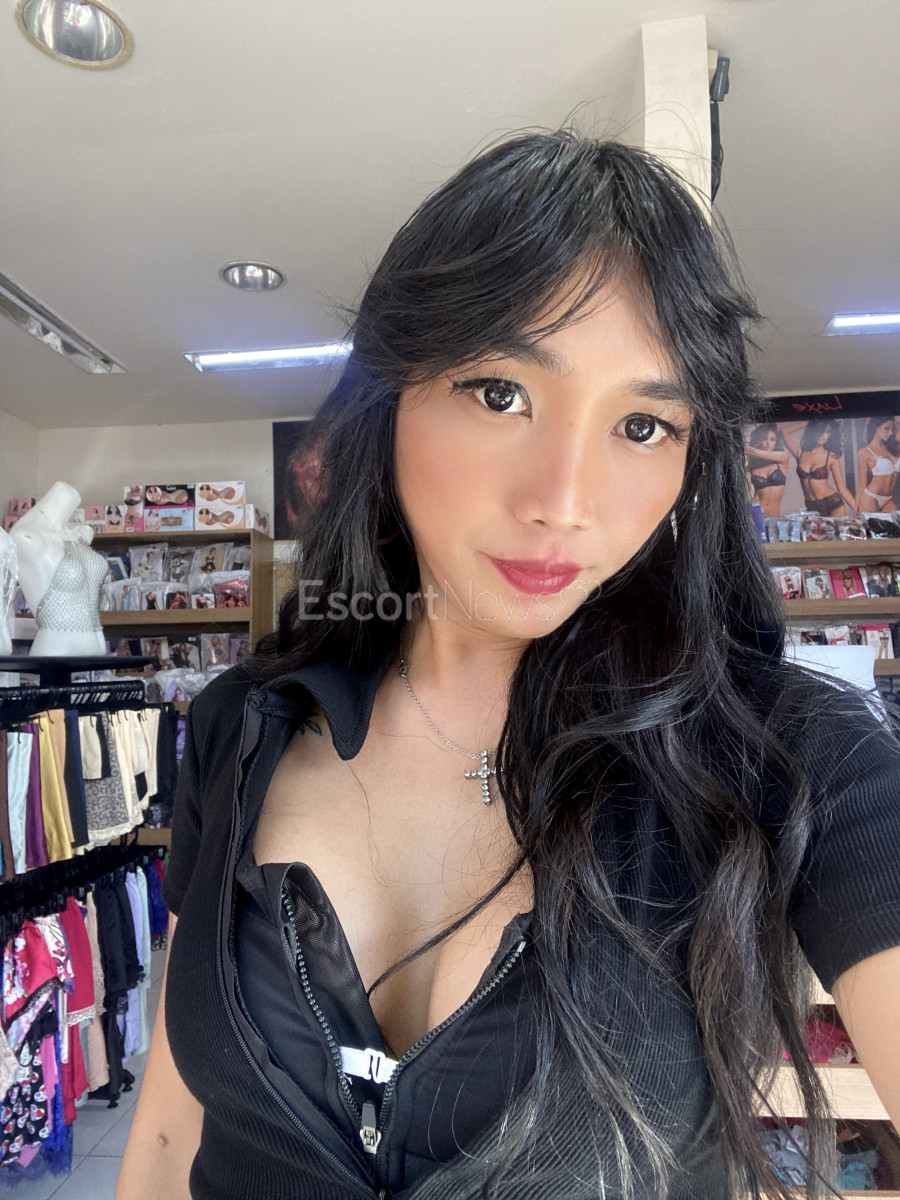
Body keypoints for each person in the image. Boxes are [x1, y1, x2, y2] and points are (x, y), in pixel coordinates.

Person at [119, 132, 900, 1200]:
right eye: (499, 393)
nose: (562, 501)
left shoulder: (794, 756)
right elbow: (170, 1136)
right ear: (389, 397)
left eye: (643, 424)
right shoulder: (239, 725)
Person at [780, 419, 856, 517]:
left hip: (832, 503)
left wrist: (858, 510)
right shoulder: (800, 453)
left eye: (827, 432)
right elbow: (784, 431)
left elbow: (842, 489)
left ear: (830, 435)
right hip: (811, 507)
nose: (822, 435)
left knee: (838, 527)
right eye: (819, 430)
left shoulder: (831, 457)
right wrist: (811, 421)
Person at [855, 416, 900, 514]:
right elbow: (862, 485)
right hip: (871, 497)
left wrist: (890, 415)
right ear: (876, 428)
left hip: (888, 498)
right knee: (871, 525)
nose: (890, 433)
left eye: (892, 429)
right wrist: (855, 511)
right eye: (887, 428)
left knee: (897, 522)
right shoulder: (864, 452)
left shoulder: (892, 448)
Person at [744, 423, 789, 517]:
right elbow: (745, 489)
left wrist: (743, 449)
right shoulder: (752, 466)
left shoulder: (782, 458)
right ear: (759, 440)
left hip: (773, 516)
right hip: (755, 513)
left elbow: (752, 451)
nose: (768, 443)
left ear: (776, 442)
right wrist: (746, 469)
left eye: (772, 439)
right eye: (764, 438)